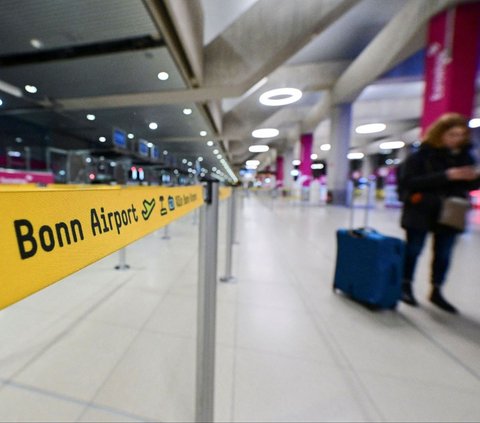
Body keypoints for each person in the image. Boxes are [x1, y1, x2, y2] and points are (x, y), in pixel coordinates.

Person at [398, 113, 480, 313]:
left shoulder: (466, 158)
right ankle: (405, 285)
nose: (457, 139)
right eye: (452, 134)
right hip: (422, 210)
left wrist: (473, 178)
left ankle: (437, 289)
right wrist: (447, 176)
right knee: (414, 249)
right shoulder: (420, 157)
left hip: (451, 211)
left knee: (444, 253)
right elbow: (409, 182)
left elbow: (470, 186)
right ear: (440, 134)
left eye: (461, 135)